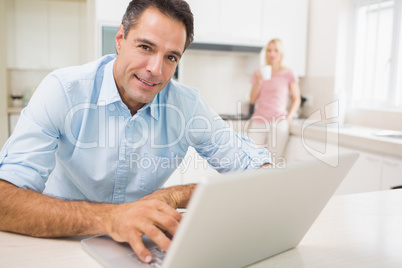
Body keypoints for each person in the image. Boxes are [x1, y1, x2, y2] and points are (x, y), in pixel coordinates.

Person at [0, 0, 270, 264]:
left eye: (171, 57)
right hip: (58, 246)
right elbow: (4, 201)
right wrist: (109, 218)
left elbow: (261, 171)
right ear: (120, 39)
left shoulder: (186, 106)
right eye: (145, 47)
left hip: (139, 251)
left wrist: (177, 195)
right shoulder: (63, 91)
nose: (155, 69)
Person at [248, 39, 301, 160]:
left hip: (278, 122)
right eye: (269, 50)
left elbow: (296, 98)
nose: (272, 54)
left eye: (276, 50)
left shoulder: (289, 73)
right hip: (258, 121)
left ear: (281, 54)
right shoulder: (259, 72)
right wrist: (259, 82)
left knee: (274, 161)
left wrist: (288, 119)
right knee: (252, 159)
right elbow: (252, 99)